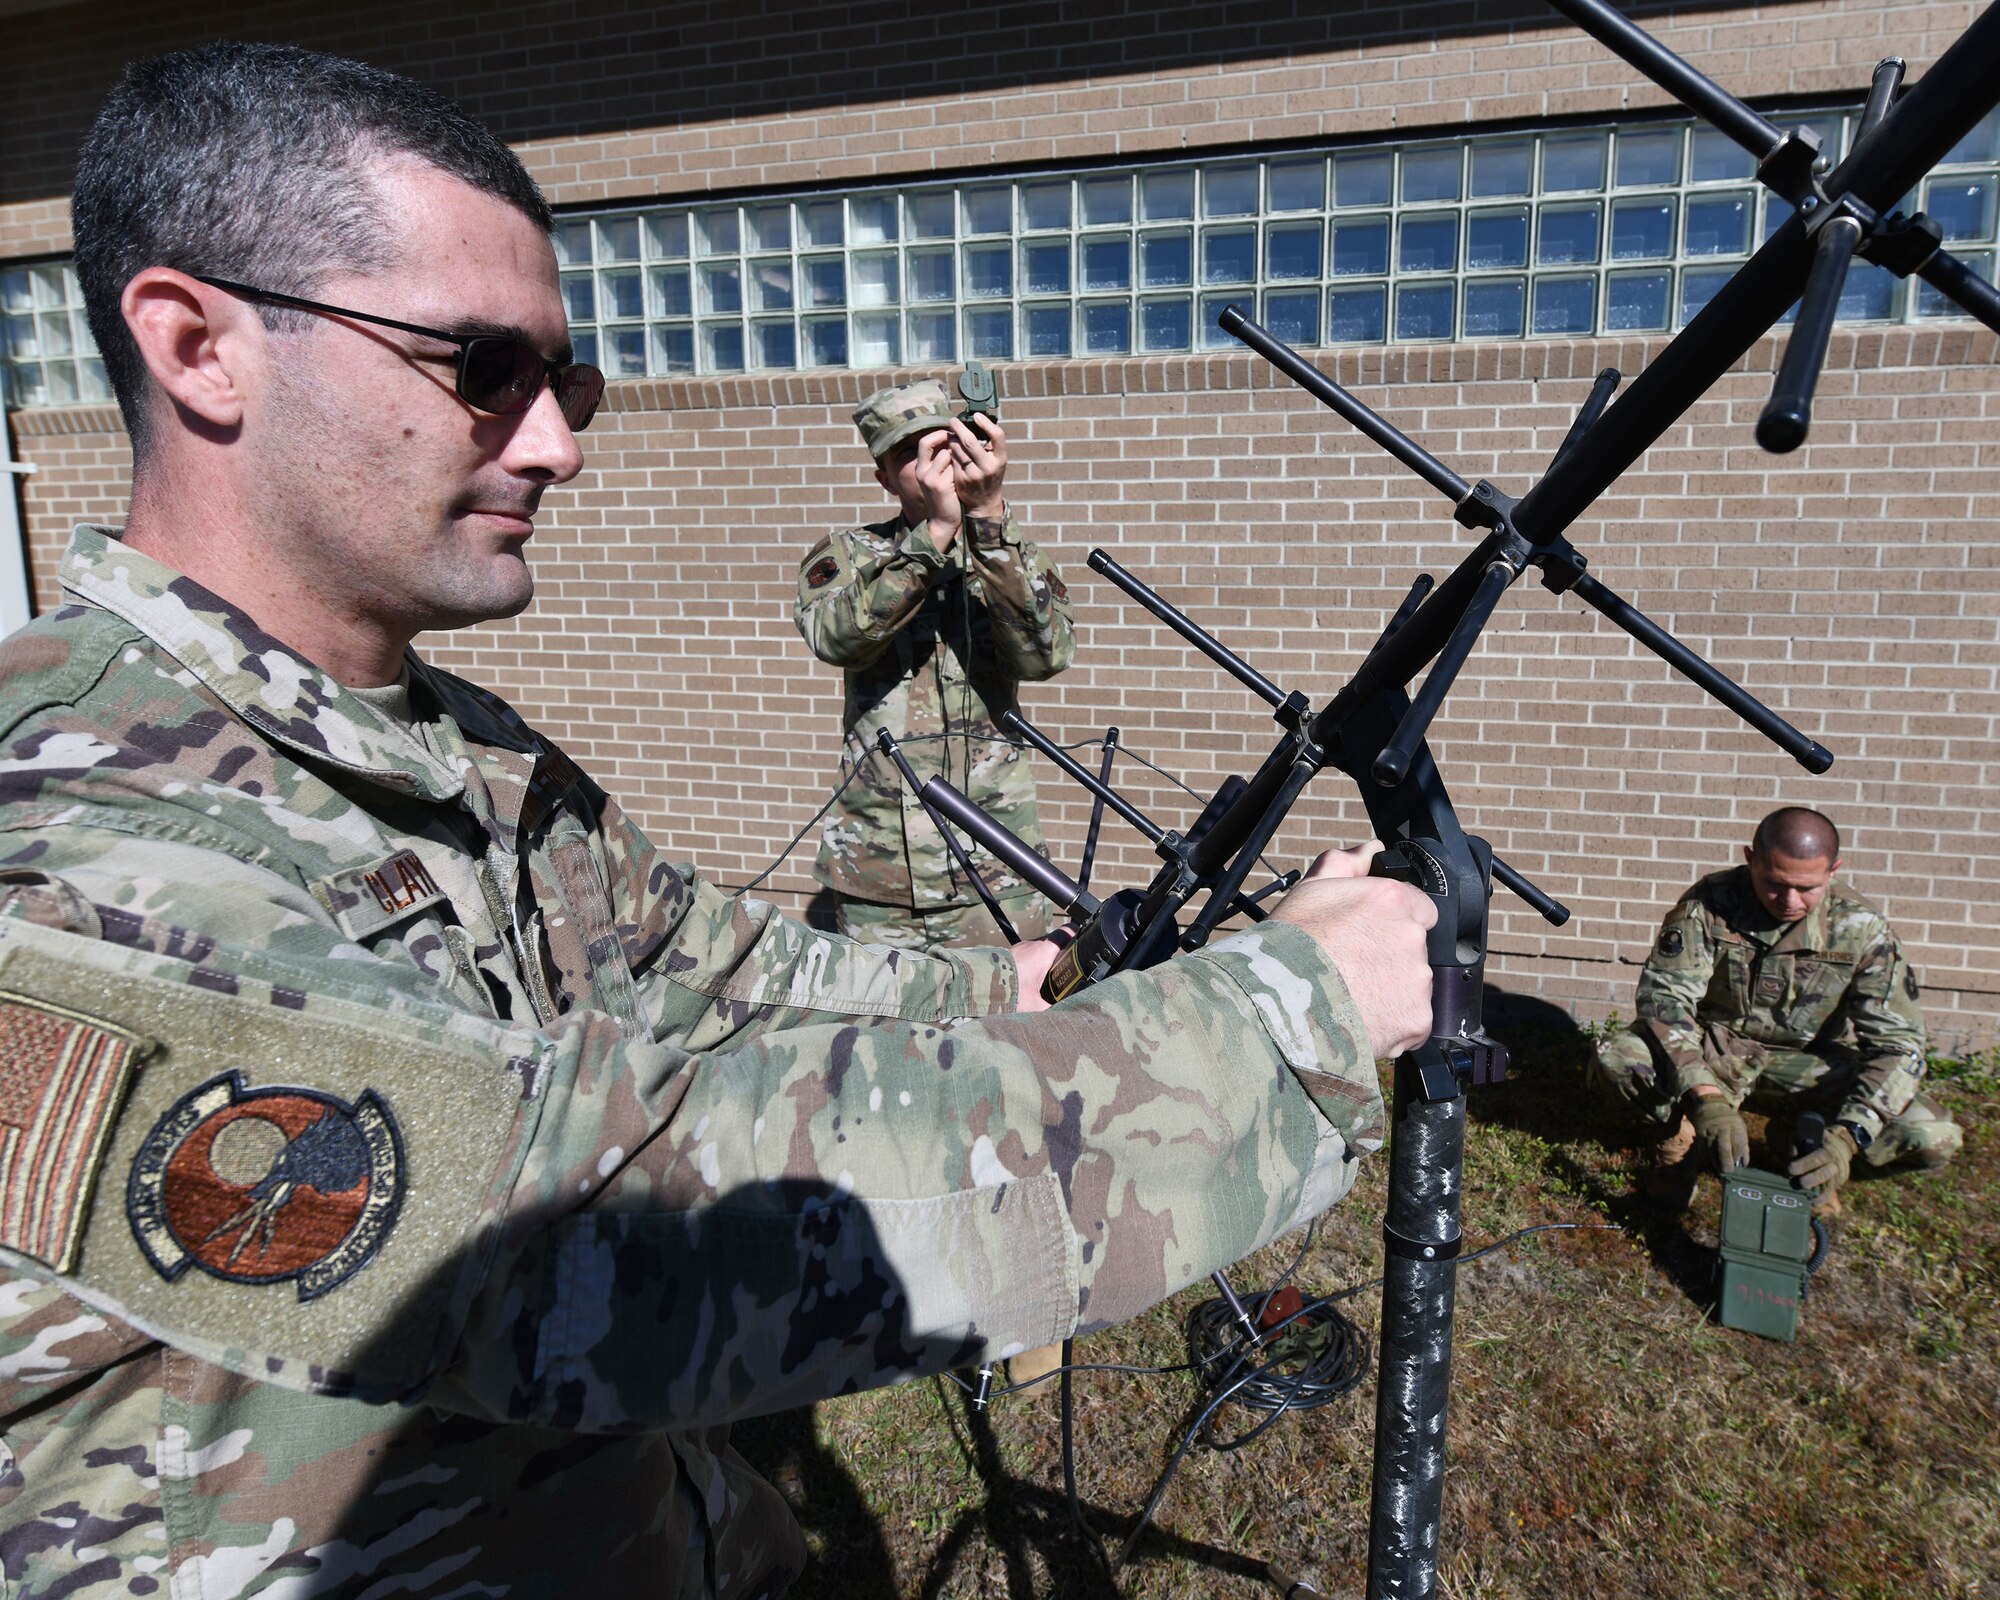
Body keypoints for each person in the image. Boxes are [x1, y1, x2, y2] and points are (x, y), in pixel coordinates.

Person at [0, 44, 1439, 1600]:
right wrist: (1283, 1016)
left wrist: (988, 994)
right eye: (484, 370)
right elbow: (587, 1233)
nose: (552, 441)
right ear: (198, 345)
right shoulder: (72, 829)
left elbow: (702, 963)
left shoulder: (447, 749)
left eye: (572, 385)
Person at [795, 379, 1071, 952]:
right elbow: (836, 637)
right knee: (882, 1035)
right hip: (880, 869)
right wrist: (937, 534)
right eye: (908, 454)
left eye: (942, 442)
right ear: (883, 479)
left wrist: (988, 514)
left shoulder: (1005, 551)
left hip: (996, 857)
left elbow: (1047, 655)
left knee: (1007, 1033)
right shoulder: (851, 553)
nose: (932, 463)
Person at [1594, 806, 1961, 1216]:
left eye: (1807, 888)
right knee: (1619, 1058)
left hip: (1808, 1069)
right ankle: (1682, 1139)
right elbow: (1665, 1002)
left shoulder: (1861, 928)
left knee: (1933, 1135)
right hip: (1716, 1052)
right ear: (1751, 859)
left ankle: (1807, 1146)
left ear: (1833, 870)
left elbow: (1899, 1046)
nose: (1789, 901)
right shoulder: (1711, 903)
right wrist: (1706, 1098)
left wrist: (1848, 1136)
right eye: (1774, 883)